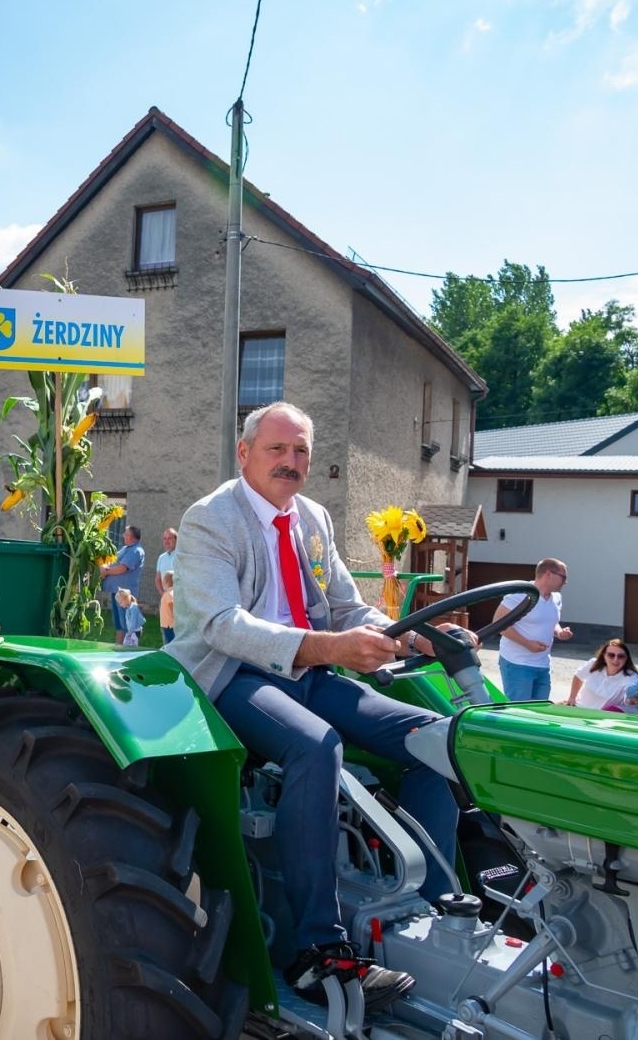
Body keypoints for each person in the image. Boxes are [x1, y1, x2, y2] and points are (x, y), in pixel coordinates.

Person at [168, 401, 470, 1010]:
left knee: (435, 736)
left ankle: (434, 914)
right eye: (277, 449)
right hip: (232, 675)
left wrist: (416, 636)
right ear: (244, 454)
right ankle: (318, 949)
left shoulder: (312, 518)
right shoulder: (210, 519)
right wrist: (328, 647)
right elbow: (222, 625)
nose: (291, 461)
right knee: (315, 745)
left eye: (301, 451)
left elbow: (344, 607)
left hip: (308, 670)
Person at [493, 558, 573, 702]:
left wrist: (560, 632)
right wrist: (527, 643)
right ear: (548, 574)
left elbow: (551, 622)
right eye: (563, 577)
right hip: (517, 663)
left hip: (543, 665)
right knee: (519, 711)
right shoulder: (519, 594)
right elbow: (498, 624)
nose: (565, 582)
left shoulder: (557, 598)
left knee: (540, 710)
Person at [101, 525, 146, 643]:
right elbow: (113, 561)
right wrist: (105, 566)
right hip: (118, 592)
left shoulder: (136, 551)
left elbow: (122, 568)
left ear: (131, 537)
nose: (123, 536)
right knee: (119, 624)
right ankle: (119, 647)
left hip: (125, 595)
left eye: (125, 534)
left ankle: (127, 649)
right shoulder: (126, 548)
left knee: (127, 624)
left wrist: (106, 571)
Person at [564, 638, 638, 710]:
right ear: (604, 656)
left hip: (602, 716)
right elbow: (578, 676)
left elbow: (631, 689)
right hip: (578, 708)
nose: (616, 659)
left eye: (621, 656)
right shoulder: (593, 664)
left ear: (626, 658)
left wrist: (632, 698)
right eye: (611, 655)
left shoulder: (631, 676)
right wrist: (572, 698)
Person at [155, 526, 178, 602]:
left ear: (176, 539)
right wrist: (163, 594)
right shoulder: (161, 557)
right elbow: (157, 579)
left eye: (169, 538)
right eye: (164, 538)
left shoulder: (181, 557)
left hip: (178, 598)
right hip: (165, 597)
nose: (166, 541)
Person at [159, 569, 177, 644]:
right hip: (166, 624)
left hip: (168, 624)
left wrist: (175, 619)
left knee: (169, 642)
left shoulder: (169, 594)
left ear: (165, 581)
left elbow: (172, 607)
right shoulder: (170, 592)